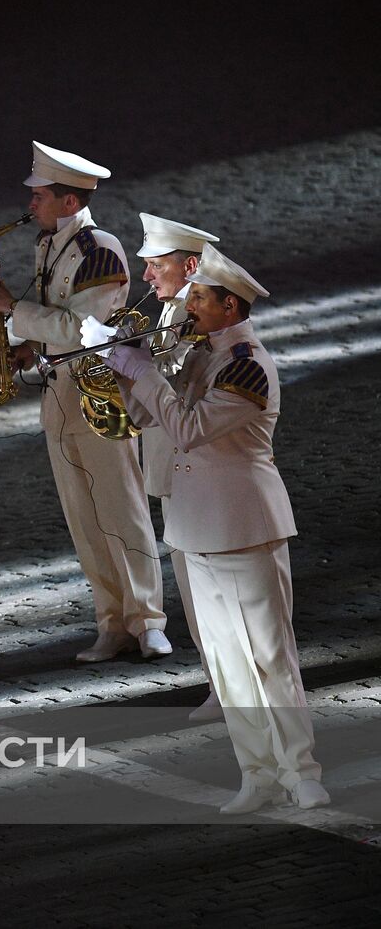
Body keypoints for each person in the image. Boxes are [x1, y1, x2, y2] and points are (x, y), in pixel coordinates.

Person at [101, 243, 327, 814]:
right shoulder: (198, 353)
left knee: (272, 655)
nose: (188, 304)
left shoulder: (247, 365)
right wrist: (125, 375)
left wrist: (146, 372)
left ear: (230, 305)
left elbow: (188, 427)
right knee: (227, 662)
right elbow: (149, 417)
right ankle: (257, 773)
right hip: (194, 526)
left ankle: (302, 771)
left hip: (244, 523)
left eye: (199, 297)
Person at [0, 141, 169, 663]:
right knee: (82, 517)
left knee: (122, 511)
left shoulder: (99, 251)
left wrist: (14, 309)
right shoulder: (47, 246)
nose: (31, 204)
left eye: (40, 195)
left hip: (99, 396)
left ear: (68, 202)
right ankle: (112, 622)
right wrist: (27, 349)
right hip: (59, 395)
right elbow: (54, 324)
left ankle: (148, 620)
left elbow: (88, 331)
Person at [135, 213, 223, 719]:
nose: (146, 276)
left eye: (155, 265)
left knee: (208, 589)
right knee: (193, 591)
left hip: (197, 472)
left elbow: (176, 390)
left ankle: (232, 689)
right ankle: (220, 683)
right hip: (173, 469)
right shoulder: (171, 313)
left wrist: (138, 367)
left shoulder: (197, 318)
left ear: (189, 265)